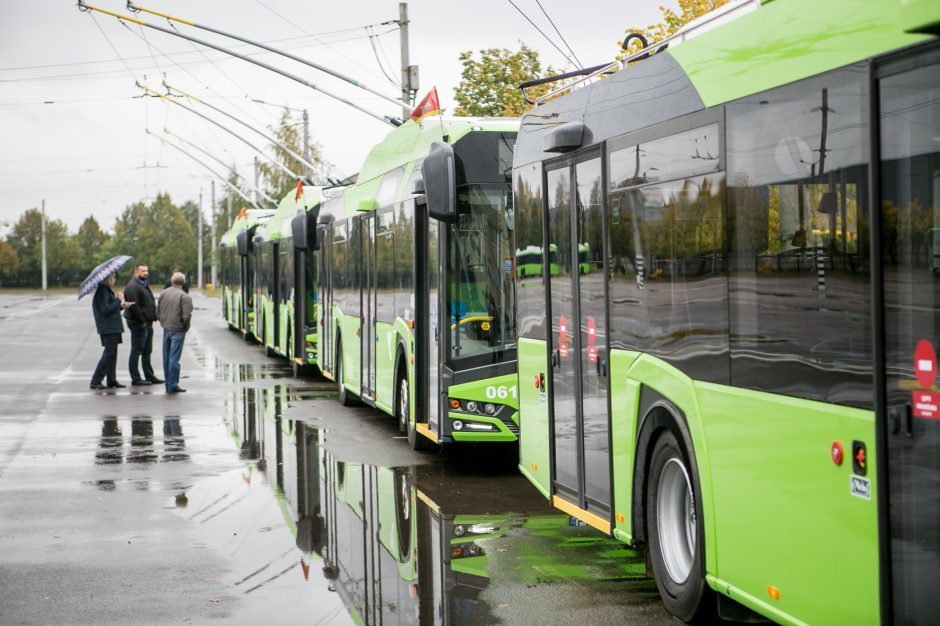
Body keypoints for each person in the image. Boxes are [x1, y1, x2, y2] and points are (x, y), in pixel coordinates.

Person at [90, 273, 134, 390]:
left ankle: (111, 380)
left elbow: (111, 307)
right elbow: (105, 310)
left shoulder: (106, 290)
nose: (114, 280)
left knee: (112, 354)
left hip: (112, 326)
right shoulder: (102, 292)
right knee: (108, 354)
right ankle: (96, 380)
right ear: (107, 279)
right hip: (108, 327)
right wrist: (118, 300)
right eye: (113, 278)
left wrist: (121, 306)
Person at [124, 264, 163, 386]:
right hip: (139, 324)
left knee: (147, 350)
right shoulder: (132, 286)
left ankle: (149, 376)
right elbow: (134, 306)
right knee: (137, 351)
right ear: (136, 272)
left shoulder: (143, 284)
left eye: (147, 270)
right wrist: (142, 321)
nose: (146, 273)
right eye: (143, 271)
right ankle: (136, 378)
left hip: (147, 323)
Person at [157, 272, 193, 393]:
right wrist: (185, 326)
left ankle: (168, 384)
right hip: (178, 329)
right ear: (183, 283)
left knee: (166, 357)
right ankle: (172, 385)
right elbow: (186, 316)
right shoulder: (185, 296)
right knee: (174, 358)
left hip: (166, 328)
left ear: (172, 281)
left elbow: (158, 310)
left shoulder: (163, 293)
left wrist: (162, 322)